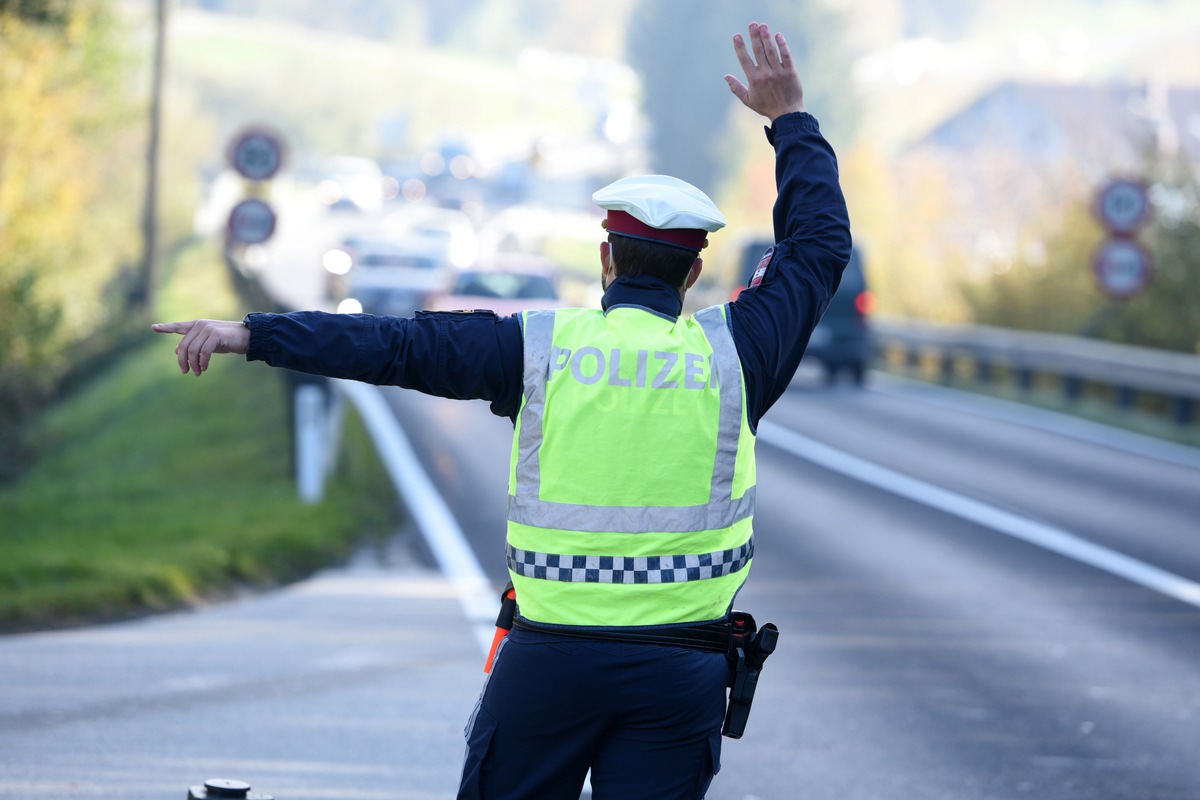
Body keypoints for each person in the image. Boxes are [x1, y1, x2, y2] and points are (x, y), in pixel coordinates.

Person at [154, 21, 850, 800]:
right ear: (693, 274)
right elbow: (818, 246)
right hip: (679, 677)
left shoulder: (538, 349)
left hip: (547, 668)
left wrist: (250, 334)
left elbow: (395, 346)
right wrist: (790, 120)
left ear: (605, 258)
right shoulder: (737, 355)